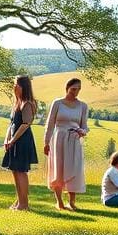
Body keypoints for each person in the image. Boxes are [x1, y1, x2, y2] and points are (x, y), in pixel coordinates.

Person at [43, 77, 89, 210]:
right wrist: (46, 142)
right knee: (58, 167)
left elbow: (85, 126)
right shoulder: (57, 103)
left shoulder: (83, 106)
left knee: (74, 168)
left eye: (78, 89)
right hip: (59, 138)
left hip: (74, 139)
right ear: (67, 88)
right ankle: (59, 201)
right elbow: (50, 124)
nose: (76, 92)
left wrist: (82, 131)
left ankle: (72, 201)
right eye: (74, 89)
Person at [1, 75, 39, 211]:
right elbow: (11, 124)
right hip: (14, 140)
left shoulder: (27, 103)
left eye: (16, 84)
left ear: (23, 86)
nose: (14, 87)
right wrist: (7, 139)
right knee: (15, 171)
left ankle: (24, 204)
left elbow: (25, 124)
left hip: (22, 141)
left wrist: (12, 140)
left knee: (21, 171)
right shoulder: (17, 102)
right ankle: (19, 201)